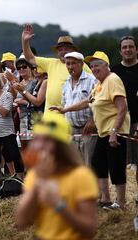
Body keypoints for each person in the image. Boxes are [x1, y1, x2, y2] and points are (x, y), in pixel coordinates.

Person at [51, 51, 130, 210]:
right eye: (92, 66)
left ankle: (121, 203)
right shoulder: (100, 84)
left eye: (97, 65)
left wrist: (114, 131)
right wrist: (65, 109)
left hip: (115, 131)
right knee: (98, 163)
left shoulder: (112, 80)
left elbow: (122, 108)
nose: (94, 68)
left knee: (116, 166)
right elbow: (87, 102)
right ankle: (105, 198)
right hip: (103, 132)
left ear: (106, 66)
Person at [15, 111, 98, 240]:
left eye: (47, 140)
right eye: (37, 139)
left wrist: (59, 205)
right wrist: (39, 183)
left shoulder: (81, 176)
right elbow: (21, 221)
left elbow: (89, 229)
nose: (39, 146)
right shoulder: (34, 175)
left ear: (61, 147)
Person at [21, 24, 91, 112]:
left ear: (73, 51)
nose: (63, 52)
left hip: (71, 116)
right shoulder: (51, 63)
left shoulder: (81, 65)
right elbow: (29, 58)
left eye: (66, 49)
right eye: (60, 49)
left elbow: (94, 89)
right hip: (50, 116)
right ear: (57, 52)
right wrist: (25, 41)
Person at [111, 36, 138, 203]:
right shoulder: (114, 72)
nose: (127, 50)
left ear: (136, 49)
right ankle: (120, 199)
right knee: (119, 162)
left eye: (131, 47)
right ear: (120, 51)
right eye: (124, 47)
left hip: (137, 120)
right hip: (120, 122)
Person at [60, 52, 97, 165]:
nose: (70, 67)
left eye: (73, 63)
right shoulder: (66, 83)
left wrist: (92, 120)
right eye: (68, 64)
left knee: (88, 164)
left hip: (88, 128)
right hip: (71, 129)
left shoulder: (92, 80)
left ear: (81, 64)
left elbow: (97, 103)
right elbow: (64, 104)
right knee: (73, 165)